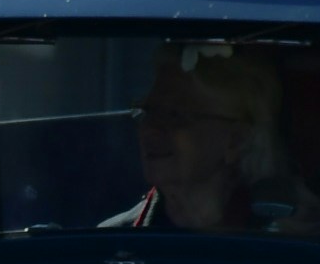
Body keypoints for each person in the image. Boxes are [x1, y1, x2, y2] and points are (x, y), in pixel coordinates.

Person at [104, 46, 300, 233]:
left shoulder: (282, 244)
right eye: (148, 111)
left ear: (236, 140)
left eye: (175, 114)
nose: (149, 129)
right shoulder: (114, 243)